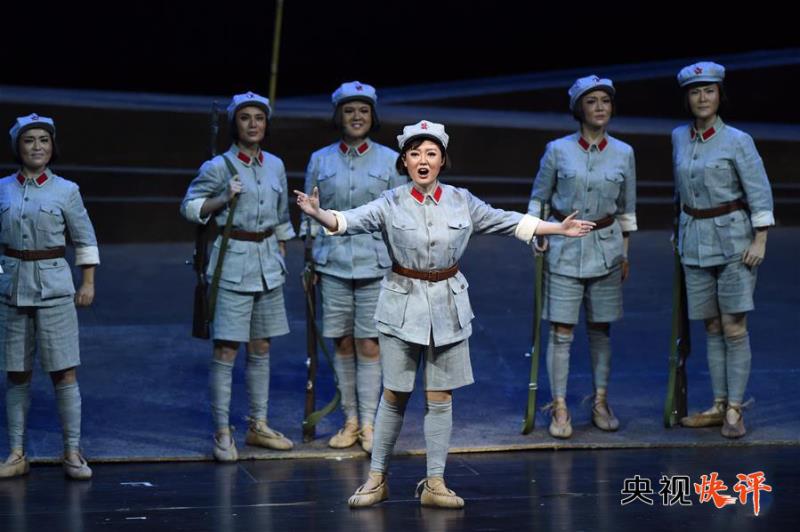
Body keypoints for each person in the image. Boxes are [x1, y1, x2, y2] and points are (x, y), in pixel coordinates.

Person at [295, 120, 594, 508]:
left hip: (448, 307)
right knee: (395, 394)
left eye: (431, 154)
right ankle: (376, 478)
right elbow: (348, 220)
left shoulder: (461, 200)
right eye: (415, 153)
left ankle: (435, 483)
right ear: (404, 161)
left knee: (440, 397)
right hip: (402, 306)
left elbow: (506, 220)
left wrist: (556, 228)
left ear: (442, 160)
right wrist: (319, 214)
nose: (423, 160)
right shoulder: (390, 202)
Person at [181, 91, 296, 461]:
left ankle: (258, 425)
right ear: (235, 124)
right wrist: (222, 199)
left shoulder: (275, 165)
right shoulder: (219, 166)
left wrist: (282, 248)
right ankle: (222, 431)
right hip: (232, 263)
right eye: (245, 118)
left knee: (261, 346)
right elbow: (189, 207)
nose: (253, 124)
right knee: (227, 348)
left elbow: (281, 215)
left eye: (259, 118)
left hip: (268, 265)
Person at [527, 75, 637, 439]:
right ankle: (559, 406)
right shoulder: (557, 150)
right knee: (561, 331)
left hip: (606, 249)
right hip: (564, 248)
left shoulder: (623, 153)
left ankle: (600, 401)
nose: (600, 107)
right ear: (579, 109)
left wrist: (624, 253)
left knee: (601, 329)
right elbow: (539, 197)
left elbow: (627, 210)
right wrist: (538, 232)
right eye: (592, 101)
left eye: (605, 100)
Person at [301, 81, 405, 452]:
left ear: (372, 116)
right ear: (338, 116)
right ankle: (351, 420)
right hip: (332, 264)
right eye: (349, 111)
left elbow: (401, 213)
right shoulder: (320, 159)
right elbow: (309, 215)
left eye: (363, 110)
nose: (356, 117)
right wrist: (309, 259)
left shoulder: (389, 160)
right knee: (342, 342)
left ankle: (370, 424)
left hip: (375, 264)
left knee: (370, 344)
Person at [672, 62, 774, 438]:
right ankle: (718, 405)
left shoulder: (737, 140)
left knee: (733, 325)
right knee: (711, 325)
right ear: (687, 98)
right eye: (695, 91)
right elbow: (680, 190)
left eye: (709, 90)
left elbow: (759, 191)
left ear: (720, 95)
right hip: (694, 241)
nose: (702, 98)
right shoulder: (678, 137)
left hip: (734, 241)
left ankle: (734, 408)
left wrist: (760, 238)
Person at [0, 113, 99, 480]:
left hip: (55, 288)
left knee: (64, 370)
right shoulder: (3, 188)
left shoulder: (66, 190)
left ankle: (72, 452)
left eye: (44, 140)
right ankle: (16, 453)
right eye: (29, 140)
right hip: (11, 289)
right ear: (17, 147)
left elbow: (85, 239)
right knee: (16, 372)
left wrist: (87, 282)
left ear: (53, 146)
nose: (37, 146)